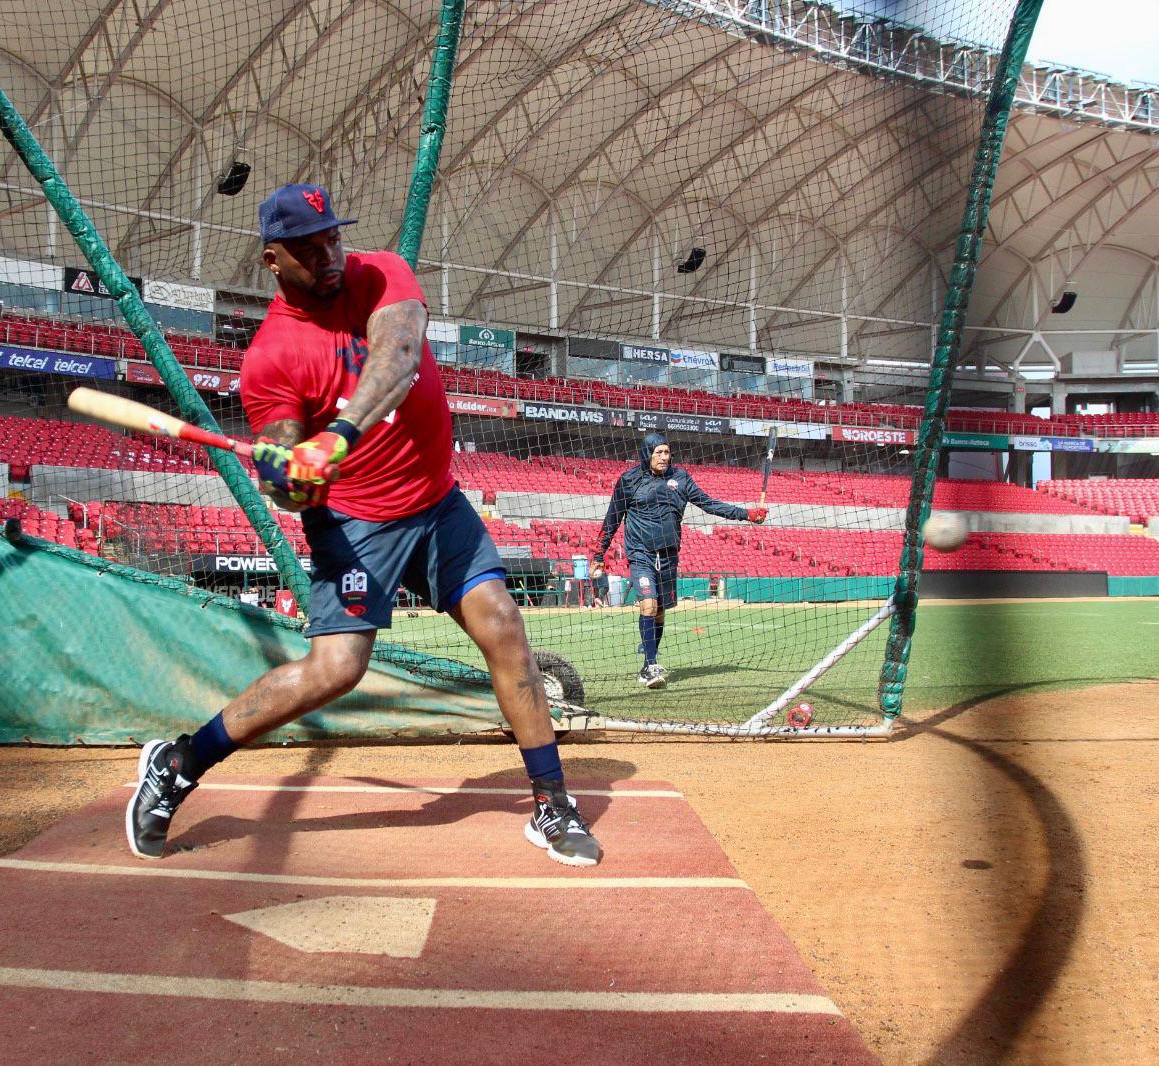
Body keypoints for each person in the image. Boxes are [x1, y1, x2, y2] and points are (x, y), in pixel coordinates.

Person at [126, 183, 602, 867]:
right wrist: (290, 475)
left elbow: (400, 356)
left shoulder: (380, 273)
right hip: (356, 521)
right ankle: (179, 763)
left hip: (437, 502)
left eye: (331, 238)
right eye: (307, 247)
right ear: (273, 261)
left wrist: (339, 434)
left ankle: (552, 804)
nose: (328, 255)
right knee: (336, 668)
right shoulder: (270, 358)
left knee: (502, 623)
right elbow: (285, 464)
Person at [591, 432, 768, 689]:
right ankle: (651, 666)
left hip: (669, 555)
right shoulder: (628, 480)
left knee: (660, 612)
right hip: (640, 554)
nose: (664, 457)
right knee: (649, 605)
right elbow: (612, 519)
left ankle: (648, 662)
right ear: (647, 454)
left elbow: (709, 504)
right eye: (658, 452)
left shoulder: (681, 478)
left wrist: (747, 514)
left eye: (667, 452)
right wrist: (599, 555)